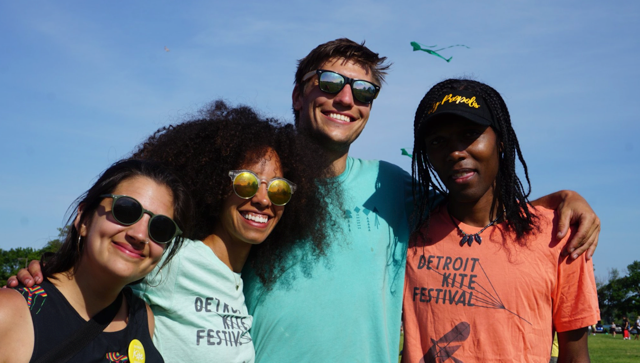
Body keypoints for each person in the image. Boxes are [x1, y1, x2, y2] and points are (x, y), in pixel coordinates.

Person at [241, 38, 602, 362]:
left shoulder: (390, 186)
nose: (347, 99)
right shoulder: (252, 184)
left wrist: (561, 200)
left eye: (365, 91)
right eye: (331, 83)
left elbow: (481, 210)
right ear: (297, 96)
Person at [8, 101, 338, 363]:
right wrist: (43, 274)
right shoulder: (173, 254)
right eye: (246, 183)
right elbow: (101, 267)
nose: (263, 199)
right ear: (215, 185)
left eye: (279, 190)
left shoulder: (248, 280)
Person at [402, 79, 600, 362]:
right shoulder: (405, 233)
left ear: (502, 141)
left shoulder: (559, 235)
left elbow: (576, 357)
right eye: (438, 141)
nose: (455, 151)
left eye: (470, 134)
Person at [0, 159, 193, 362]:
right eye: (126, 210)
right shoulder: (9, 313)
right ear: (83, 219)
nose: (140, 235)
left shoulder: (142, 317)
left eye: (161, 228)